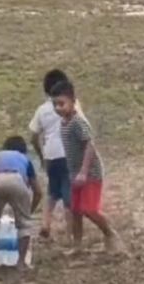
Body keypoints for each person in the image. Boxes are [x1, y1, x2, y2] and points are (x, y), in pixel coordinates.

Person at [52, 81, 120, 252]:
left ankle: (110, 233)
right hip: (74, 173)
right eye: (55, 104)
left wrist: (84, 171)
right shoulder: (64, 122)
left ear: (73, 101)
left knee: (89, 209)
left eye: (61, 103)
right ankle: (77, 245)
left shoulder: (78, 122)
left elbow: (90, 145)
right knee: (75, 210)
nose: (58, 108)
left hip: (90, 173)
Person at [29, 69, 80, 239]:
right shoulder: (72, 104)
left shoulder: (42, 110)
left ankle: (45, 224)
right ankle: (70, 233)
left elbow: (33, 136)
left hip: (50, 155)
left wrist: (41, 155)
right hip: (68, 154)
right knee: (68, 196)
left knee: (52, 192)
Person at [0, 136, 42, 270]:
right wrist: (28, 211)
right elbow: (38, 192)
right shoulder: (25, 159)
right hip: (17, 180)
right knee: (24, 226)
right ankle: (21, 263)